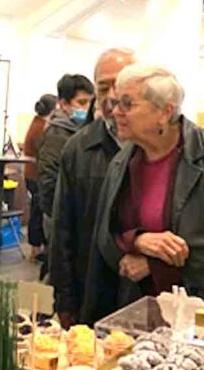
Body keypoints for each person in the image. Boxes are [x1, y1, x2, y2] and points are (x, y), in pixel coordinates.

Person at [83, 65, 204, 320]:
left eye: (127, 104)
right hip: (137, 311)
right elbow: (105, 234)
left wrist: (156, 265)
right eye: (116, 102)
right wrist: (136, 241)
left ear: (164, 112)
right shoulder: (122, 162)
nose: (115, 111)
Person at [49, 48, 136, 327]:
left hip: (147, 292)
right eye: (103, 87)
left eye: (119, 85)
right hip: (92, 289)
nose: (112, 95)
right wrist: (64, 299)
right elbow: (62, 229)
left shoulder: (157, 148)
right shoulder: (78, 148)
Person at [37, 74, 95, 240]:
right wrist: (59, 215)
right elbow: (48, 180)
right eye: (82, 102)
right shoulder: (57, 134)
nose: (88, 107)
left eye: (91, 102)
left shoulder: (84, 131)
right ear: (64, 104)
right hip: (61, 217)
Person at [23, 93, 57, 260]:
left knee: (37, 210)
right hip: (37, 174)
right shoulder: (42, 128)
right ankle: (36, 249)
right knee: (38, 210)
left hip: (32, 173)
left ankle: (36, 248)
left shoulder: (36, 123)